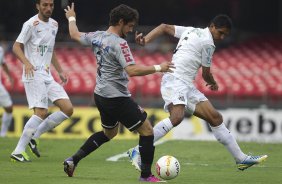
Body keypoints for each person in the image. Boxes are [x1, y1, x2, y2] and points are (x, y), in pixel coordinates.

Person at [128, 14, 267, 171]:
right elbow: (206, 74)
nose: (221, 37)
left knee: (215, 118)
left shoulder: (191, 31)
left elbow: (163, 26)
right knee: (177, 117)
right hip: (175, 80)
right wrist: (213, 83)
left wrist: (145, 40)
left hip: (186, 85)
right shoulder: (208, 43)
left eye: (225, 35)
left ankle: (241, 159)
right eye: (220, 32)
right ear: (212, 26)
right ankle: (138, 151)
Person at [63, 3, 174, 182]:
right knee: (147, 131)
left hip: (100, 94)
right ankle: (146, 176)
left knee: (109, 134)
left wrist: (71, 17)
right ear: (121, 22)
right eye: (130, 26)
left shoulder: (97, 36)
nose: (130, 30)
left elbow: (74, 34)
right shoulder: (120, 44)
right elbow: (132, 71)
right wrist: (158, 67)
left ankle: (73, 160)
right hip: (116, 97)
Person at [10, 0, 73, 162]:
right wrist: (27, 63)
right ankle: (18, 151)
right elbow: (16, 47)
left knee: (68, 109)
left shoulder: (54, 24)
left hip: (47, 74)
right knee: (41, 113)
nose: (48, 8)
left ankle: (34, 136)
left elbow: (50, 50)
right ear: (37, 6)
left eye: (51, 5)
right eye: (44, 5)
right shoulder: (31, 24)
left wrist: (59, 70)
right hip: (33, 73)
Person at [0, 43, 14, 137]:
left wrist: (9, 76)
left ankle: (3, 134)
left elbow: (3, 63)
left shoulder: (0, 49)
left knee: (9, 108)